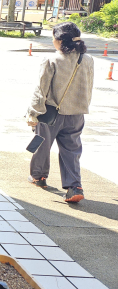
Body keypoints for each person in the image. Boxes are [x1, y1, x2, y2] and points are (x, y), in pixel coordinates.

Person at [26, 22, 93, 203]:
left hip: (51, 113)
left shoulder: (52, 60)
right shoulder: (87, 60)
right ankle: (74, 186)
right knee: (71, 149)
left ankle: (39, 177)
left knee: (42, 143)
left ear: (60, 40)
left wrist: (32, 113)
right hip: (76, 113)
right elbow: (89, 87)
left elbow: (41, 91)